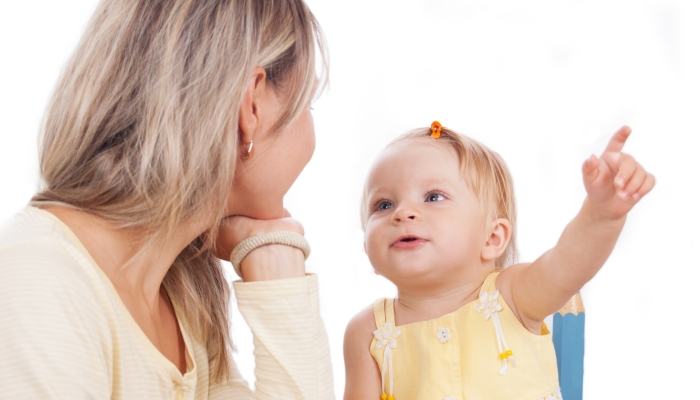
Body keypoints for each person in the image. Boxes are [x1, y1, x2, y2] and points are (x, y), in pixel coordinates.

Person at [0, 0, 335, 398]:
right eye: (307, 104)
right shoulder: (43, 285)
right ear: (252, 105)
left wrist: (276, 264)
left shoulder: (180, 294)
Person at [343, 122, 654, 399]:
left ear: (492, 238)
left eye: (433, 197)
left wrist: (600, 216)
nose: (402, 213)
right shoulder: (367, 330)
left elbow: (569, 264)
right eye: (383, 204)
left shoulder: (513, 295)